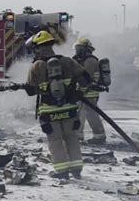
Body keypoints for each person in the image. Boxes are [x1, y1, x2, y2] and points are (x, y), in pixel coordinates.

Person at [23, 30, 92, 179]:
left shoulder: (37, 66)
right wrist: (79, 93)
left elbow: (30, 91)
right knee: (71, 137)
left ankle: (61, 172)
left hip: (49, 111)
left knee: (55, 140)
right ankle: (76, 169)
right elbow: (86, 79)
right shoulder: (68, 61)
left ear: (37, 48)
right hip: (70, 109)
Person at [72, 38, 107, 144]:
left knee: (88, 113)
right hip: (84, 92)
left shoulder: (90, 61)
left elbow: (85, 79)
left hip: (89, 92)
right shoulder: (82, 60)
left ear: (85, 48)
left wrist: (79, 90)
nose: (76, 51)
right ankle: (80, 135)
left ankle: (98, 136)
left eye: (78, 48)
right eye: (76, 48)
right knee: (83, 113)